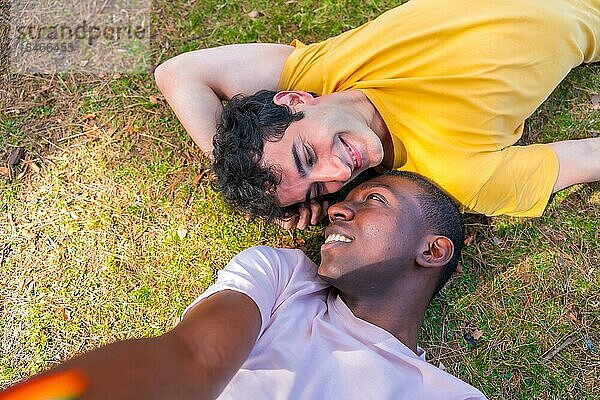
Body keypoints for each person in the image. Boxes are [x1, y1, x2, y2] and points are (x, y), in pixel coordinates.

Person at [0, 171, 487, 399]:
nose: (338, 209)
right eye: (344, 201)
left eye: (374, 200)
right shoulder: (282, 278)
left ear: (432, 251)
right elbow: (193, 357)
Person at [155, 0, 600, 229]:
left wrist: (230, 160)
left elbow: (177, 72)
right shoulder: (457, 175)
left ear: (293, 101)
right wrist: (286, 195)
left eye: (308, 157)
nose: (337, 171)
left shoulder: (320, 73)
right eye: (319, 188)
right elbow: (586, 158)